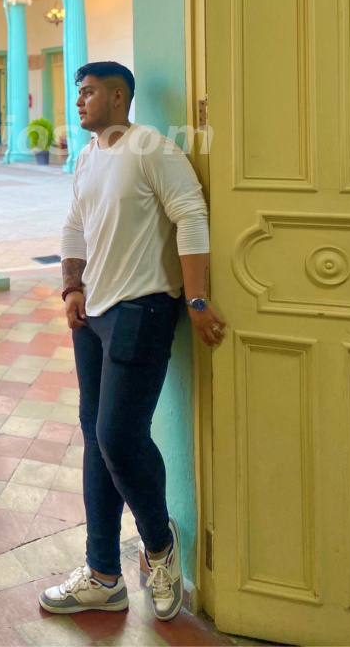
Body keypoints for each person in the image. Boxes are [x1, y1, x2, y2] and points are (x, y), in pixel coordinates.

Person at [39, 61, 226, 622]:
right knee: (96, 438)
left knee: (118, 437)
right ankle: (102, 575)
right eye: (78, 93)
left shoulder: (151, 149)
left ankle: (160, 546)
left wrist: (196, 299)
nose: (79, 101)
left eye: (89, 92)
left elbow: (191, 214)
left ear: (119, 97)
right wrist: (72, 286)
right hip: (93, 314)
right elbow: (75, 225)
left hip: (142, 309)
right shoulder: (87, 157)